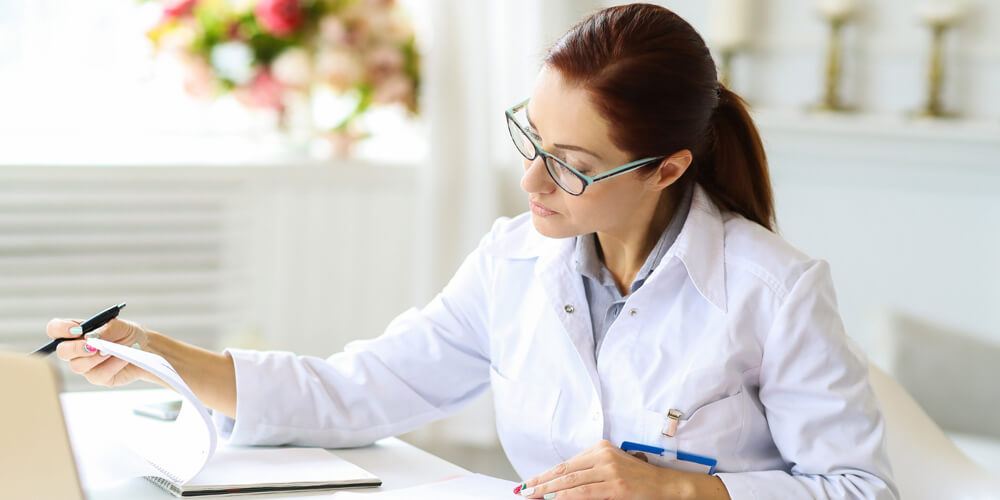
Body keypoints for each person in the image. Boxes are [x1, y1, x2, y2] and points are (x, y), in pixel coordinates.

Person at [46, 4, 897, 499]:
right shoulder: (515, 259)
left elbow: (862, 490)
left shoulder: (772, 290)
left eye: (573, 165)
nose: (532, 181)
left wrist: (687, 489)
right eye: (534, 136)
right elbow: (358, 391)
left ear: (668, 168)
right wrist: (162, 353)